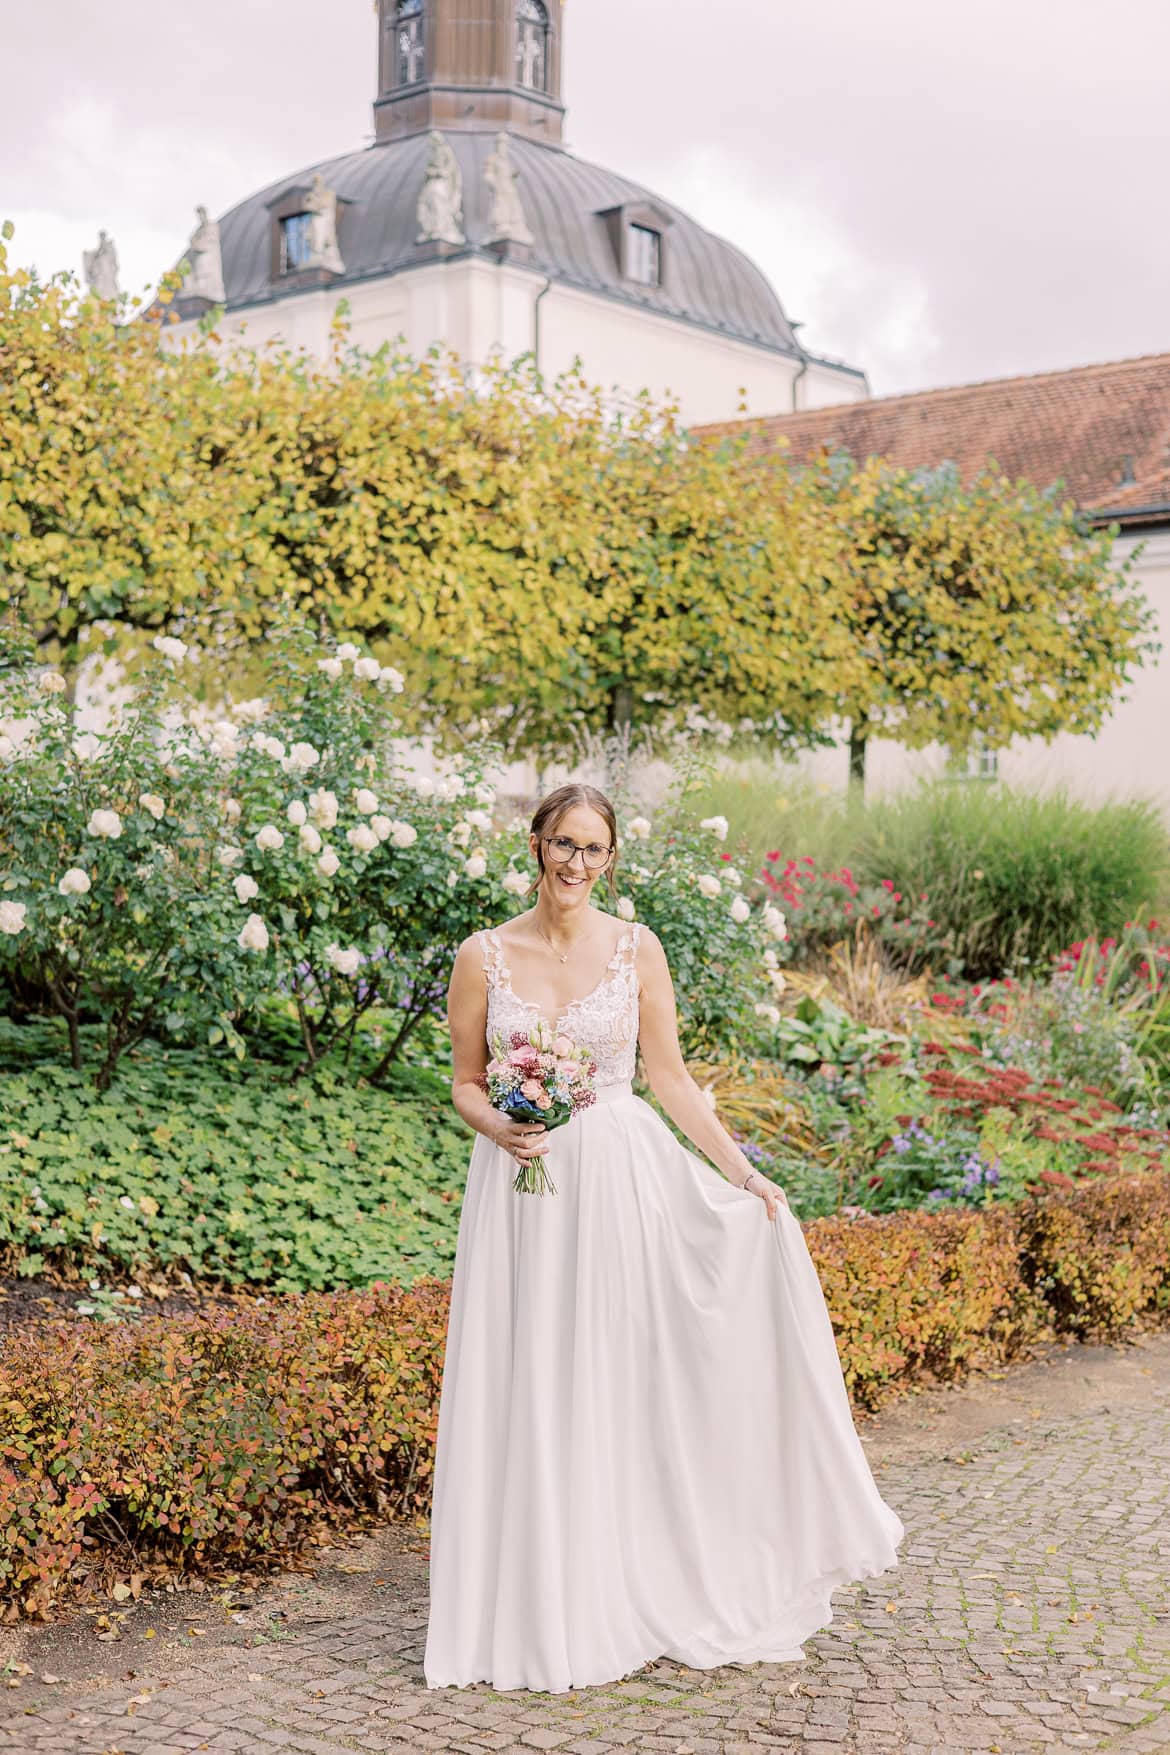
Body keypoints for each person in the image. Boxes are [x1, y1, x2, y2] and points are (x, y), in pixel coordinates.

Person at [423, 782, 903, 1694]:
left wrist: (745, 1174)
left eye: (593, 849)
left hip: (617, 1182)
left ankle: (613, 1581)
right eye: (562, 842)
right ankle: (527, 1600)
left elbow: (671, 1080)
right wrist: (498, 1127)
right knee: (529, 1374)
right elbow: (463, 1081)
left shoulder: (637, 949)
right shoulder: (482, 954)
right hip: (521, 1189)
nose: (575, 862)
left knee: (610, 1377)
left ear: (610, 861)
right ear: (535, 844)